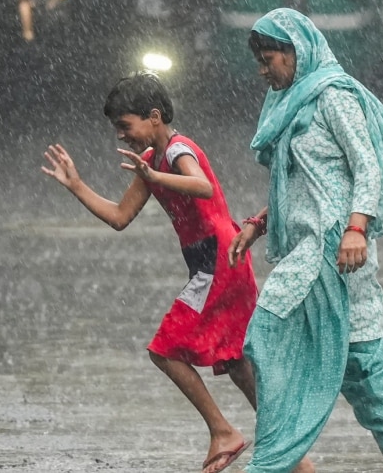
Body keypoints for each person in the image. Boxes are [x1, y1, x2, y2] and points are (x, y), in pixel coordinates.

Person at [41, 72, 259, 473]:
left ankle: (223, 431)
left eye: (126, 126)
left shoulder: (177, 151)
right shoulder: (151, 162)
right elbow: (120, 217)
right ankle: (289, 444)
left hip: (218, 262)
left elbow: (203, 187)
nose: (122, 136)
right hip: (219, 262)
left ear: (154, 117)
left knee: (165, 350)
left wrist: (156, 176)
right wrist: (76, 186)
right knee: (235, 360)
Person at [229, 8, 383, 473]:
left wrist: (356, 228)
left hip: (337, 245)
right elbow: (300, 185)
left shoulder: (334, 97)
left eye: (270, 58)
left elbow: (368, 166)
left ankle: (298, 458)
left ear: (297, 52)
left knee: (278, 336)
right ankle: (294, 458)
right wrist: (259, 222)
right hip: (309, 246)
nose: (263, 69)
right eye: (261, 60)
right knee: (354, 350)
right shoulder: (288, 101)